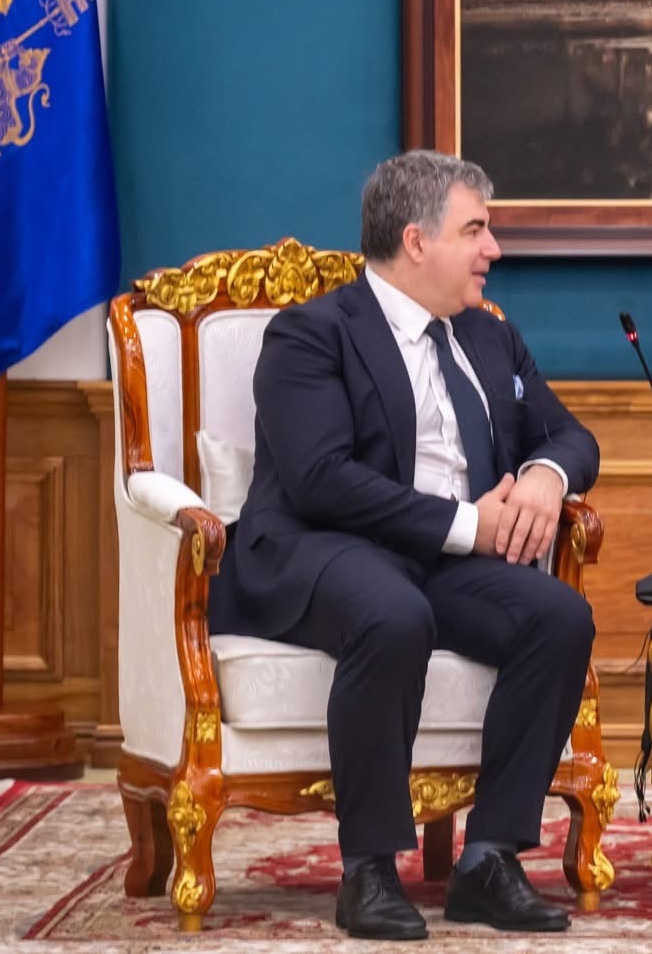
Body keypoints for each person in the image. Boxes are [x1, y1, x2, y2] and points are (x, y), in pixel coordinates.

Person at [209, 151, 599, 940]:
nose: (493, 248)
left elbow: (568, 433)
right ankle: (370, 869)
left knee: (558, 616)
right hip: (321, 547)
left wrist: (544, 477)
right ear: (417, 241)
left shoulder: (488, 337)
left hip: (435, 561)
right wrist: (470, 525)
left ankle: (488, 859)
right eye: (476, 230)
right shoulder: (313, 334)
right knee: (392, 612)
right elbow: (321, 479)